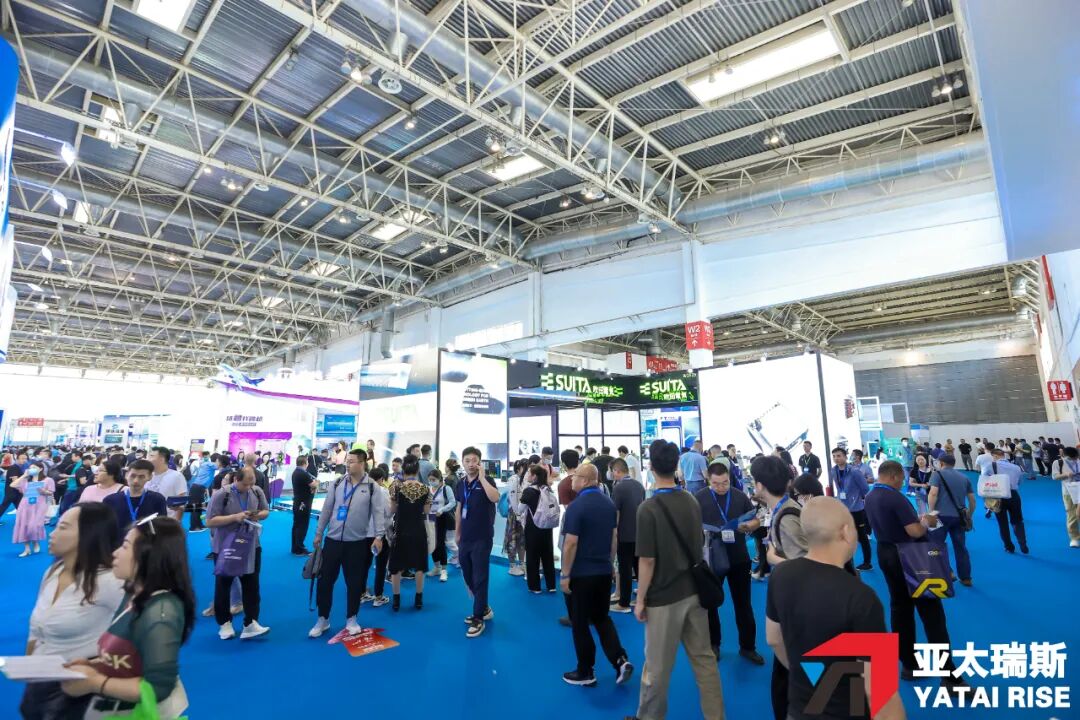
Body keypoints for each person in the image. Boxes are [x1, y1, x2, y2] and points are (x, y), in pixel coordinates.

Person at [765, 497, 905, 720]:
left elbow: (773, 638)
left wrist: (812, 676)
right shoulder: (862, 598)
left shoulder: (780, 575)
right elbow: (882, 693)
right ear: (846, 532)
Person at [59, 515, 194, 717]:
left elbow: (158, 688)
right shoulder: (135, 594)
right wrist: (94, 665)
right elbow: (131, 657)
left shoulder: (161, 612)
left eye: (124, 546)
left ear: (148, 556)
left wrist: (95, 682)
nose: (115, 553)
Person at [630, 439, 724, 720]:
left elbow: (647, 560)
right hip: (695, 593)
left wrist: (640, 599)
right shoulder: (691, 500)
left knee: (656, 670)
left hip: (663, 599)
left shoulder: (648, 508)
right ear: (677, 465)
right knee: (705, 661)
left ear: (650, 465)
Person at [20, 503, 126, 720]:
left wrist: (101, 673)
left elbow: (141, 634)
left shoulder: (110, 581)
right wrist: (30, 668)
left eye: (63, 527)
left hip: (78, 692)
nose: (52, 534)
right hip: (41, 682)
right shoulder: (54, 571)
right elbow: (37, 629)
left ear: (88, 534)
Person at [865, 461, 963, 686]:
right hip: (910, 556)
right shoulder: (895, 498)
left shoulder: (870, 496)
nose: (902, 483)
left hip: (886, 553)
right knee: (932, 614)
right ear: (893, 476)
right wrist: (926, 521)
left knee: (900, 609)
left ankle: (909, 665)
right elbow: (915, 531)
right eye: (901, 478)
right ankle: (949, 676)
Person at [559, 463, 632, 687]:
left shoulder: (576, 507)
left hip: (581, 574)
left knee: (580, 622)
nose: (571, 480)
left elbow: (570, 543)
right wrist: (610, 564)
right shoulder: (608, 504)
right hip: (603, 571)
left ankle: (585, 671)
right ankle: (620, 660)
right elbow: (613, 538)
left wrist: (565, 574)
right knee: (602, 618)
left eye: (575, 477)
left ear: (584, 480)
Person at [309, 449, 388, 638]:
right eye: (347, 461)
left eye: (351, 461)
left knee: (354, 583)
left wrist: (379, 536)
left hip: (357, 543)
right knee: (325, 582)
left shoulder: (372, 487)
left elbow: (378, 513)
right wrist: (319, 533)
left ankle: (352, 619)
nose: (347, 464)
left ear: (362, 463)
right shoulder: (337, 483)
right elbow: (327, 509)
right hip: (332, 541)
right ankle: (323, 619)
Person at [694, 462, 762, 665]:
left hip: (739, 558)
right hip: (712, 557)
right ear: (708, 480)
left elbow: (756, 520)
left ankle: (748, 647)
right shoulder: (699, 498)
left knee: (743, 604)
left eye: (725, 483)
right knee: (711, 603)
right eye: (716, 483)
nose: (721, 487)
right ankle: (714, 644)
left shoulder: (739, 496)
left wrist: (748, 525)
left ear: (729, 478)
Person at [206, 467, 271, 640]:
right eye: (245, 484)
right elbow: (210, 521)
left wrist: (256, 515)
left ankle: (251, 623)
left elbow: (266, 511)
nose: (248, 487)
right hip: (226, 546)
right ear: (236, 480)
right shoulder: (222, 494)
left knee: (252, 585)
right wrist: (235, 517)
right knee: (223, 585)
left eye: (251, 483)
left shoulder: (256, 491)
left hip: (251, 545)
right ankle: (224, 623)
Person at [455, 446, 500, 638]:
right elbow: (459, 509)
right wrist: (457, 532)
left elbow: (495, 497)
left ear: (480, 462)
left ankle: (478, 618)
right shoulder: (460, 484)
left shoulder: (487, 480)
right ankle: (484, 608)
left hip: (482, 537)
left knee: (480, 577)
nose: (471, 464)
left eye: (474, 460)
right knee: (467, 574)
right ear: (463, 463)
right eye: (467, 461)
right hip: (465, 537)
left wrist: (482, 478)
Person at [388, 456, 431, 611]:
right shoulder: (425, 488)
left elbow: (392, 510)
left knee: (396, 565)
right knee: (419, 565)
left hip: (401, 529)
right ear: (418, 470)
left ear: (403, 469)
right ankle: (418, 599)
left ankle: (396, 601)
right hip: (419, 530)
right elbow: (426, 511)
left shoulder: (395, 486)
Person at [927, 454, 975, 586]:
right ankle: (966, 578)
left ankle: (948, 571)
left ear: (941, 463)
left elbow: (933, 493)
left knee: (935, 545)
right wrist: (969, 515)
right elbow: (972, 500)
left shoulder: (937, 475)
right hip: (958, 517)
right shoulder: (964, 477)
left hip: (939, 516)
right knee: (961, 547)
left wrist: (931, 512)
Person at [103, 459, 168, 546]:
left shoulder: (157, 499)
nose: (136, 481)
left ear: (150, 477)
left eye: (141, 477)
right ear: (126, 475)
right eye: (132, 476)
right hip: (118, 547)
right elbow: (105, 530)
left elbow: (161, 528)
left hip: (147, 547)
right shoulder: (110, 500)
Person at [829, 448, 873, 571]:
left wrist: (857, 499)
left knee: (862, 537)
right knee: (843, 536)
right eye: (834, 456)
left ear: (845, 457)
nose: (836, 458)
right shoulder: (833, 471)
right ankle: (847, 563)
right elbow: (839, 488)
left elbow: (865, 489)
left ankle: (867, 563)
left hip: (857, 510)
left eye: (839, 456)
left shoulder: (855, 472)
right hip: (842, 509)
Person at [610, 457, 644, 613]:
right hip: (639, 533)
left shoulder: (618, 488)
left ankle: (623, 603)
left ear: (616, 471)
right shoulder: (639, 486)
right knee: (639, 568)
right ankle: (642, 599)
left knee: (624, 570)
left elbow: (615, 514)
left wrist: (613, 533)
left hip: (624, 534)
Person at [981, 448, 1028, 554]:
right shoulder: (1016, 467)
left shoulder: (989, 466)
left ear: (995, 456)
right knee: (1017, 521)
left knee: (1002, 523)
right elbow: (1019, 482)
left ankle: (1009, 546)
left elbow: (984, 482)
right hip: (1013, 495)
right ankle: (1023, 543)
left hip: (998, 496)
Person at [519, 464, 557, 594]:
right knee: (548, 556)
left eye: (529, 473)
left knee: (532, 557)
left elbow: (520, 509)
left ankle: (535, 587)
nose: (527, 475)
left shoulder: (529, 491)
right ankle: (551, 585)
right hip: (547, 527)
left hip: (533, 528)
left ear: (534, 476)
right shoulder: (547, 489)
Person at [12, 462, 53, 557]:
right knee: (24, 525)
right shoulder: (26, 480)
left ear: (40, 469)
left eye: (34, 467)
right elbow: (13, 485)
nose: (31, 469)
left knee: (34, 526)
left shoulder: (48, 480)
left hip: (39, 505)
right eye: (30, 468)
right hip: (25, 505)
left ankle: (35, 541)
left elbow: (50, 493)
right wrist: (24, 476)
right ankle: (26, 549)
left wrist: (43, 491)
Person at [426, 468, 456, 581]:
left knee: (440, 544)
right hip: (430, 518)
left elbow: (453, 502)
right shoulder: (428, 489)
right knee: (432, 544)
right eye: (429, 480)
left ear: (439, 479)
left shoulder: (446, 488)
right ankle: (436, 567)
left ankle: (444, 570)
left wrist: (442, 509)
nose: (431, 482)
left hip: (441, 518)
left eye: (433, 479)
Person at [147, 447, 187, 522]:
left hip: (167, 521)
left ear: (162, 459)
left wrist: (176, 522)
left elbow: (180, 503)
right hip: (147, 520)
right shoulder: (147, 475)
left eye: (151, 456)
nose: (148, 459)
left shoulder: (176, 476)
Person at [1052, 447, 1080, 547]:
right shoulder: (1058, 463)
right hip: (1069, 492)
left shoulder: (1078, 461)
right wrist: (1066, 474)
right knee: (1072, 515)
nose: (1073, 460)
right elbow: (1055, 476)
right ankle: (1074, 538)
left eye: (1075, 458)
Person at [503, 459, 527, 576]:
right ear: (518, 469)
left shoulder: (525, 479)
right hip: (514, 514)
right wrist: (517, 513)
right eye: (525, 467)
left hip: (523, 514)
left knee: (522, 540)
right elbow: (512, 499)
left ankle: (522, 563)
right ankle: (512, 565)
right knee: (512, 539)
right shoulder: (513, 479)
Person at [290, 455, 317, 556]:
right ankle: (299, 548)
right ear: (305, 463)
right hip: (303, 503)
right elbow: (314, 485)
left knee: (297, 525)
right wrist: (316, 483)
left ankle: (295, 547)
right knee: (302, 525)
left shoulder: (296, 472)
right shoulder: (303, 473)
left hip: (298, 502)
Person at [1, 450, 29, 524]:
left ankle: (24, 520)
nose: (24, 460)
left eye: (25, 458)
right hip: (12, 492)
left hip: (15, 492)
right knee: (4, 506)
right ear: (17, 458)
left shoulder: (18, 467)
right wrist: (22, 489)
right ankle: (25, 520)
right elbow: (15, 481)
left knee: (19, 507)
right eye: (22, 458)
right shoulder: (14, 467)